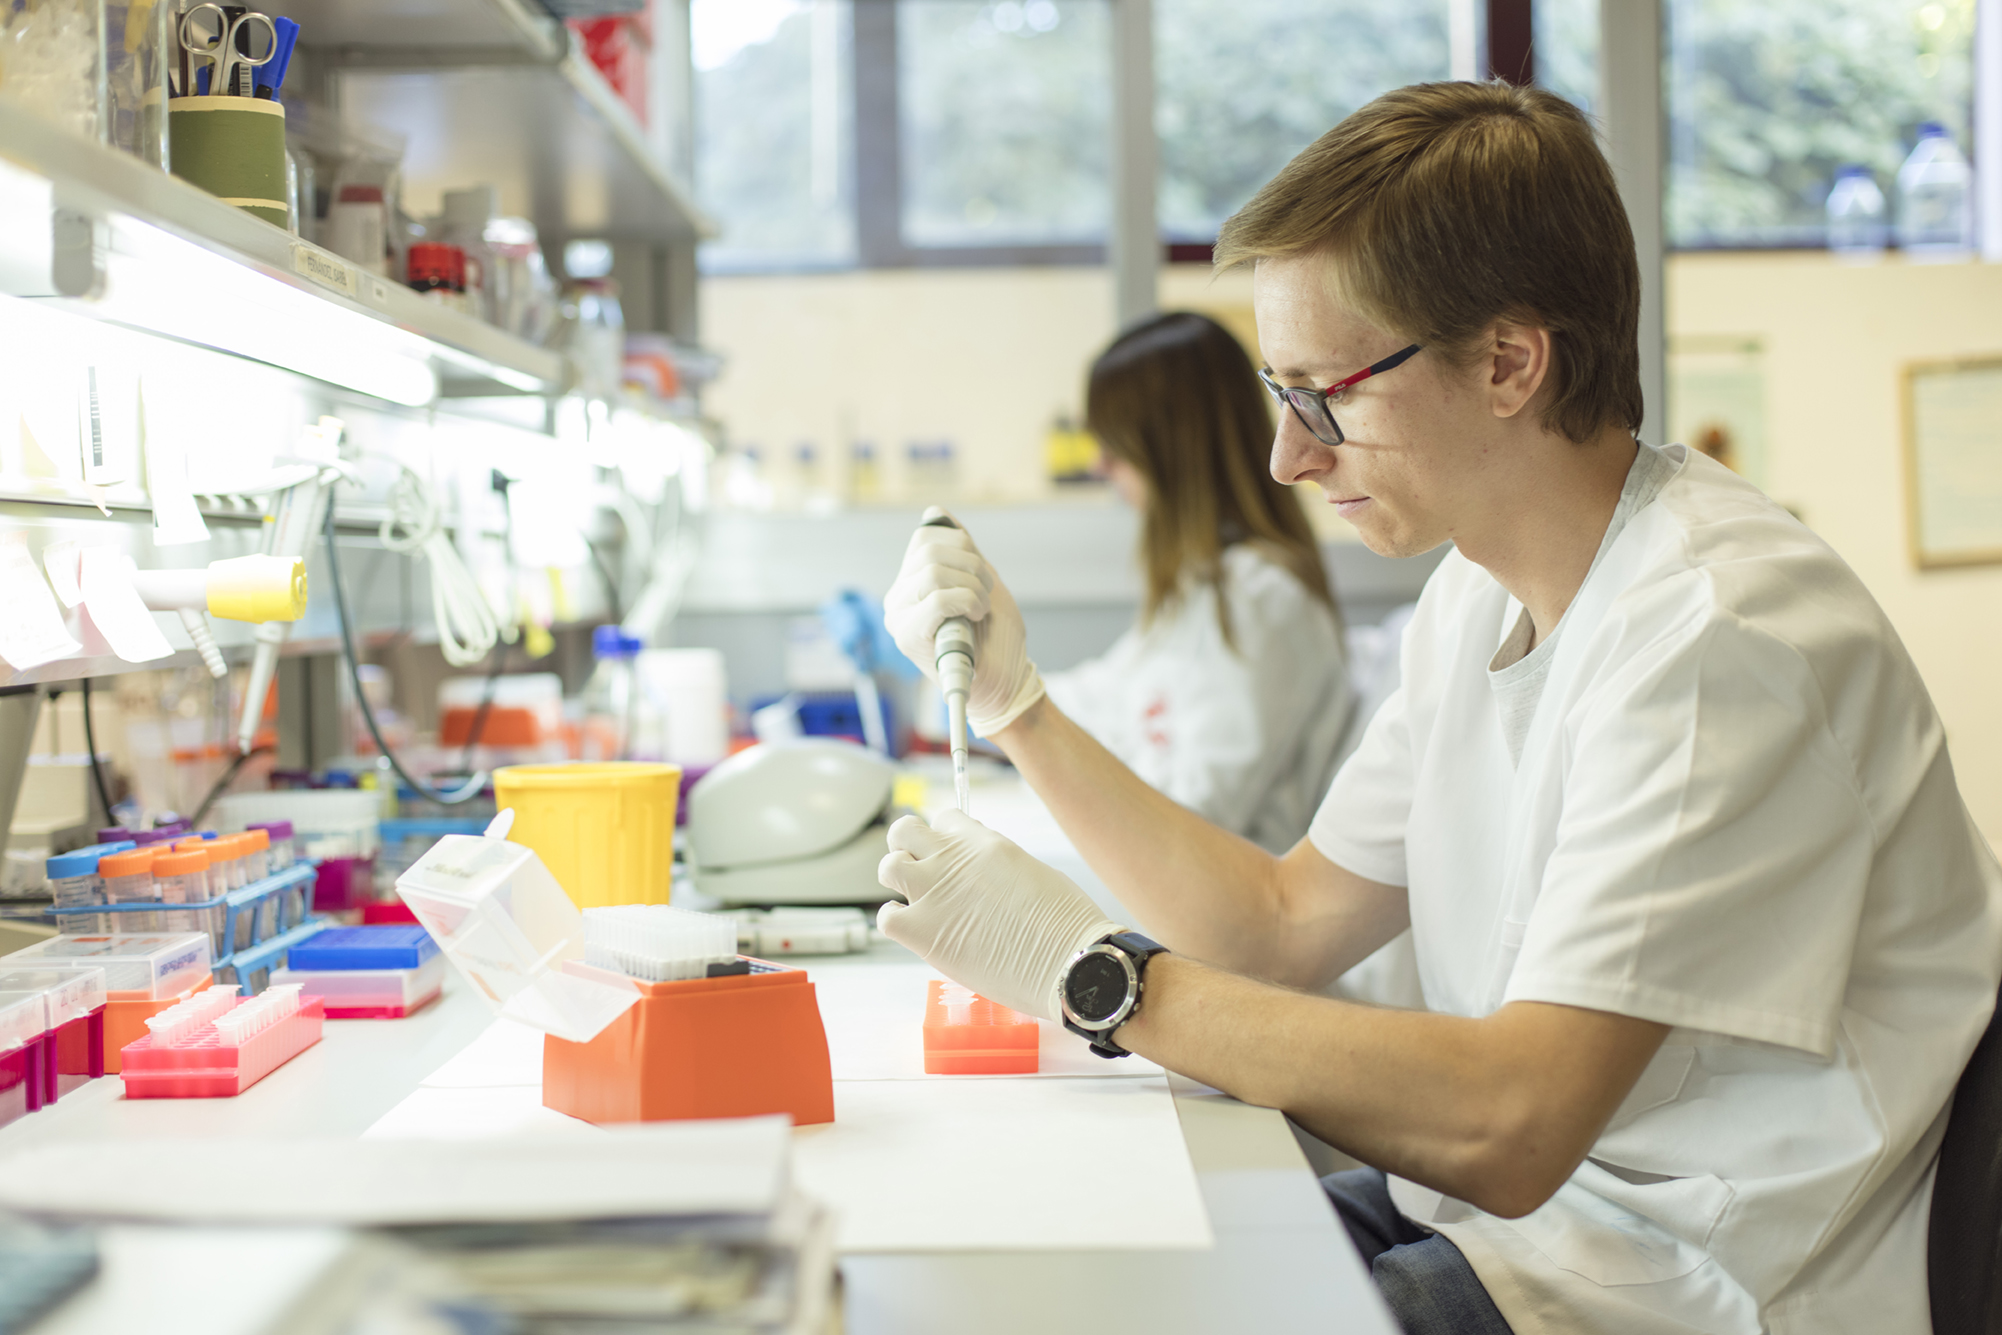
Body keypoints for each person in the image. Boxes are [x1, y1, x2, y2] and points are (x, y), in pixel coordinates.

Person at [877, 80, 2002, 1335]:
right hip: (1534, 1230)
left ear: (1510, 363)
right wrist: (1017, 702)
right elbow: (1278, 923)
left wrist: (1097, 978)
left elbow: (1511, 1120)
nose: (1287, 457)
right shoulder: (1476, 596)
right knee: (1060, 1260)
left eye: (1329, 395)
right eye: (1278, 392)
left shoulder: (1714, 636)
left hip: (1691, 1288)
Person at [1041, 311, 1351, 855]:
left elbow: (1198, 819)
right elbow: (1104, 698)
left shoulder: (1262, 602)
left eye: (1116, 444)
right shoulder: (1200, 587)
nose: (1099, 465)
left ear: (1172, 452)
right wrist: (973, 684)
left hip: (1220, 918)